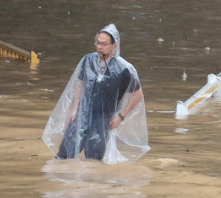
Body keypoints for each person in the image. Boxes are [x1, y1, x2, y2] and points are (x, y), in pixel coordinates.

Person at [41, 24, 149, 164]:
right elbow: (81, 83)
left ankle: (91, 184)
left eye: (104, 44)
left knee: (94, 161)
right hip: (82, 115)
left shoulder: (124, 69)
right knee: (64, 155)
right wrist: (74, 110)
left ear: (114, 45)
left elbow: (138, 95)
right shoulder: (88, 60)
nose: (99, 47)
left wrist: (120, 117)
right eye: (98, 43)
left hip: (103, 121)